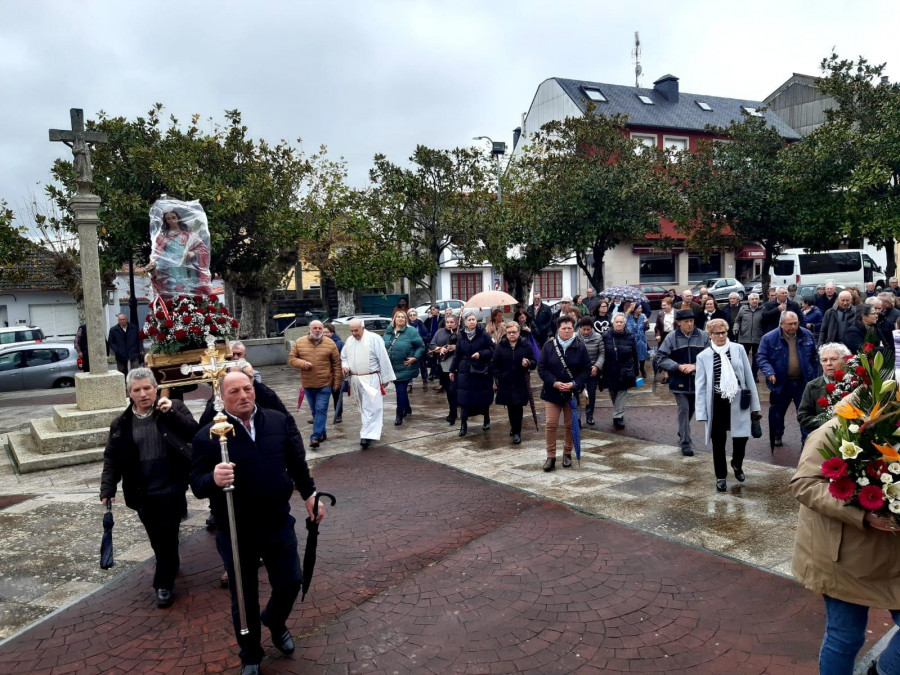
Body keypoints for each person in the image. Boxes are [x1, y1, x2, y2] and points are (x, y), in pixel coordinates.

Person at [191, 372, 325, 675]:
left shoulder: (277, 421)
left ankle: (275, 621)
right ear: (222, 398)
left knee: (291, 581)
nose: (243, 396)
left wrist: (310, 494)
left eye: (247, 389)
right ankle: (250, 653)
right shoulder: (208, 436)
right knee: (244, 595)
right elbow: (196, 484)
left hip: (276, 520)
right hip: (236, 530)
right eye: (235, 391)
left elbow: (296, 463)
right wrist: (213, 478)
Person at [791, 418, 900, 675]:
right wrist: (862, 513)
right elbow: (805, 484)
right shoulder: (840, 426)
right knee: (845, 637)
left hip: (892, 553)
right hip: (844, 557)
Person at [100, 368, 198, 608]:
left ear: (155, 388)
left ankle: (163, 584)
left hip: (172, 486)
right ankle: (169, 564)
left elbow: (194, 433)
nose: (143, 394)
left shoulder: (173, 408)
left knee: (167, 533)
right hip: (142, 492)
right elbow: (112, 457)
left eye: (147, 388)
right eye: (137, 390)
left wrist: (171, 413)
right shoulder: (121, 424)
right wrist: (108, 488)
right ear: (129, 393)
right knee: (158, 538)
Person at [695, 319, 761, 492]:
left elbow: (748, 377)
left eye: (724, 332)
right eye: (717, 333)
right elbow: (701, 386)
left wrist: (755, 405)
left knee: (741, 438)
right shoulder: (703, 356)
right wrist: (702, 412)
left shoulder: (738, 349)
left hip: (738, 399)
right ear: (710, 335)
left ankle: (737, 464)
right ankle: (721, 476)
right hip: (717, 402)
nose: (721, 336)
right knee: (718, 441)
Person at [756, 311, 818, 447]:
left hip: (803, 382)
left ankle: (806, 438)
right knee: (778, 412)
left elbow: (814, 356)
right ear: (782, 324)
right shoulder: (769, 338)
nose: (794, 326)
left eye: (796, 323)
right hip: (780, 382)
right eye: (790, 324)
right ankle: (777, 434)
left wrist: (814, 374)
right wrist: (769, 372)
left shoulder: (806, 335)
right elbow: (761, 357)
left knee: (805, 411)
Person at [655, 309, 710, 455]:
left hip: (697, 382)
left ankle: (682, 430)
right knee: (684, 409)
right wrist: (678, 366)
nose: (690, 324)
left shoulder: (703, 336)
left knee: (691, 409)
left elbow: (711, 356)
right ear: (679, 323)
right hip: (678, 381)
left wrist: (696, 366)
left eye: (692, 321)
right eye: (686, 321)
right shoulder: (671, 338)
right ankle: (686, 443)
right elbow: (660, 358)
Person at [537, 315, 590, 470]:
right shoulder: (548, 346)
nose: (567, 331)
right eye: (563, 328)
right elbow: (542, 368)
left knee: (570, 425)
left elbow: (586, 369)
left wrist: (574, 384)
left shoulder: (580, 346)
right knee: (551, 424)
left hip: (571, 394)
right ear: (558, 329)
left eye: (569, 328)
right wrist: (554, 382)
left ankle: (567, 453)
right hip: (552, 392)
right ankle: (550, 456)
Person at [340, 319, 396, 448]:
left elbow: (383, 358)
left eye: (356, 330)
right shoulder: (349, 341)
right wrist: (346, 366)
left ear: (363, 328)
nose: (354, 333)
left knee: (373, 407)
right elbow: (344, 357)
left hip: (372, 378)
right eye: (352, 331)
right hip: (356, 379)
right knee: (364, 407)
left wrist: (385, 378)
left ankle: (366, 435)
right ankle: (368, 431)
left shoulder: (374, 339)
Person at [288, 320, 342, 449]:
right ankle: (322, 433)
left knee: (320, 409)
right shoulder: (300, 342)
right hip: (308, 383)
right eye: (315, 328)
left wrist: (337, 381)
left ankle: (315, 436)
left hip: (325, 383)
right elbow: (291, 359)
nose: (317, 330)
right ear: (309, 329)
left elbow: (337, 364)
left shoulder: (330, 344)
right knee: (314, 411)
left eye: (320, 328)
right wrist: (303, 364)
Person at [490, 320, 537, 445]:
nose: (511, 335)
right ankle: (514, 427)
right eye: (509, 332)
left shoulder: (525, 345)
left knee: (518, 406)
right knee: (511, 407)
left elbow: (534, 362)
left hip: (520, 381)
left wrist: (528, 363)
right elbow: (494, 364)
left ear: (519, 332)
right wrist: (500, 376)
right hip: (506, 382)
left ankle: (517, 432)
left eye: (514, 332)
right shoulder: (501, 346)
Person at [449, 309, 494, 437]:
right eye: (469, 320)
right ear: (465, 322)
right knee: (464, 398)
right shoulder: (461, 335)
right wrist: (452, 370)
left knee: (482, 397)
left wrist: (481, 354)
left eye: (473, 319)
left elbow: (492, 349)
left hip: (480, 371)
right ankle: (463, 424)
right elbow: (457, 354)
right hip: (465, 372)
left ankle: (486, 418)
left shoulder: (484, 334)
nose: (472, 322)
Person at [149, 209, 211, 299]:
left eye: (173, 217)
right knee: (173, 291)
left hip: (186, 268)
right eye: (168, 219)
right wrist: (155, 267)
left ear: (178, 218)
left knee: (187, 289)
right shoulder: (162, 238)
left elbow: (203, 250)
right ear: (165, 221)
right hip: (170, 269)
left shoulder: (188, 235)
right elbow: (158, 255)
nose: (171, 221)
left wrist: (193, 253)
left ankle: (188, 304)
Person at [797, 342, 851, 435]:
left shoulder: (855, 383)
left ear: (845, 361)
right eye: (824, 360)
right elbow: (803, 417)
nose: (828, 364)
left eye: (834, 359)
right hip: (823, 436)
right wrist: (826, 423)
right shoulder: (812, 386)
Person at [383, 310, 425, 426]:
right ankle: (407, 407)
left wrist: (415, 358)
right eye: (398, 317)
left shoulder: (411, 331)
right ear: (394, 319)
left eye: (403, 317)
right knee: (400, 389)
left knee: (400, 389)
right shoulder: (388, 332)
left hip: (405, 366)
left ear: (406, 320)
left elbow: (421, 346)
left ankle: (399, 414)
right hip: (392, 367)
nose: (400, 319)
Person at [601, 314, 639, 430]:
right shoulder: (606, 336)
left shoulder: (630, 336)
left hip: (625, 369)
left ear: (624, 324)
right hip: (610, 369)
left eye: (621, 322)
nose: (619, 324)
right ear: (613, 323)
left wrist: (635, 370)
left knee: (622, 393)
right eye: (617, 322)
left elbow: (634, 354)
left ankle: (617, 417)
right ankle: (619, 412)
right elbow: (602, 353)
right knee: (613, 393)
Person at [430, 313, 460, 423]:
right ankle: (453, 411)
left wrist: (456, 347)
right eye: (447, 322)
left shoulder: (460, 333)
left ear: (457, 323)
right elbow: (432, 345)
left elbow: (467, 347)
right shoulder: (440, 332)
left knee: (453, 389)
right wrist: (439, 349)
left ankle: (454, 412)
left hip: (457, 366)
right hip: (444, 365)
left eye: (452, 322)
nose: (449, 324)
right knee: (448, 390)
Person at [577, 317, 605, 426]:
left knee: (591, 394)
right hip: (578, 371)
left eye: (588, 329)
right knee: (578, 393)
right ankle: (578, 417)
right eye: (584, 329)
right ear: (580, 329)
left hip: (592, 370)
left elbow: (602, 354)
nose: (586, 332)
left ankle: (589, 415)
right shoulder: (574, 338)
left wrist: (597, 366)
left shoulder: (598, 338)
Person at [733, 293, 764, 381]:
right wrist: (736, 328)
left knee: (757, 358)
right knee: (742, 357)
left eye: (756, 299)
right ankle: (742, 375)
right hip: (744, 337)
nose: (754, 300)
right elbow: (737, 320)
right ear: (749, 300)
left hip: (758, 337)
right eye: (752, 299)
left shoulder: (763, 309)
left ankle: (754, 375)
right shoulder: (743, 309)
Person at [322, 324, 346, 424]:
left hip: (336, 373)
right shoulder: (320, 343)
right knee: (322, 397)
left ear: (332, 332)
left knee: (337, 395)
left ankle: (338, 414)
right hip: (324, 374)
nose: (324, 334)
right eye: (323, 332)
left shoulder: (339, 343)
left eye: (327, 332)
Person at [405, 308, 430, 390]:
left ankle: (425, 380)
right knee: (409, 365)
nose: (412, 317)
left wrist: (420, 339)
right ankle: (409, 383)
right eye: (410, 315)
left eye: (414, 315)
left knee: (422, 365)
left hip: (420, 347)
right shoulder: (406, 325)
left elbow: (426, 335)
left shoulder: (420, 324)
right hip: (410, 348)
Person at [626, 302, 649, 378]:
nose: (641, 309)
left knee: (642, 355)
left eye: (641, 308)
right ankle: (635, 371)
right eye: (639, 308)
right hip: (631, 339)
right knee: (633, 356)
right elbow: (626, 328)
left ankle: (642, 368)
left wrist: (646, 324)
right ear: (634, 309)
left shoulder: (643, 316)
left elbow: (646, 328)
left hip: (641, 339)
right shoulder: (628, 316)